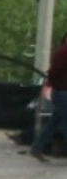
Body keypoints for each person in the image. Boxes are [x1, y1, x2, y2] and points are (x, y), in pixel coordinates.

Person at [31, 31, 67, 162]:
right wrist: (55, 85)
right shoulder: (63, 52)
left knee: (54, 122)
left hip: (62, 91)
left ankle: (37, 147)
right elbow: (54, 71)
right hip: (62, 91)